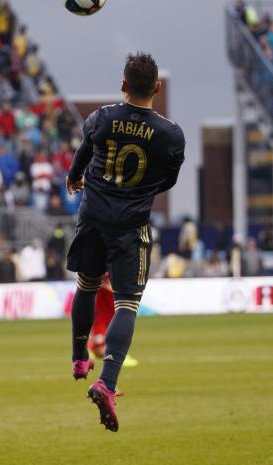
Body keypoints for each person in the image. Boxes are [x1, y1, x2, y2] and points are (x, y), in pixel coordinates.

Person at [65, 52, 185, 431]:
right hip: (130, 225)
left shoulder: (101, 117)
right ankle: (108, 381)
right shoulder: (170, 133)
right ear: (157, 87)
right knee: (127, 303)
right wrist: (142, 190)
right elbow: (169, 179)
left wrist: (75, 176)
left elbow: (85, 149)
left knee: (86, 285)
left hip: (94, 216)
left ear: (122, 84)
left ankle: (79, 358)